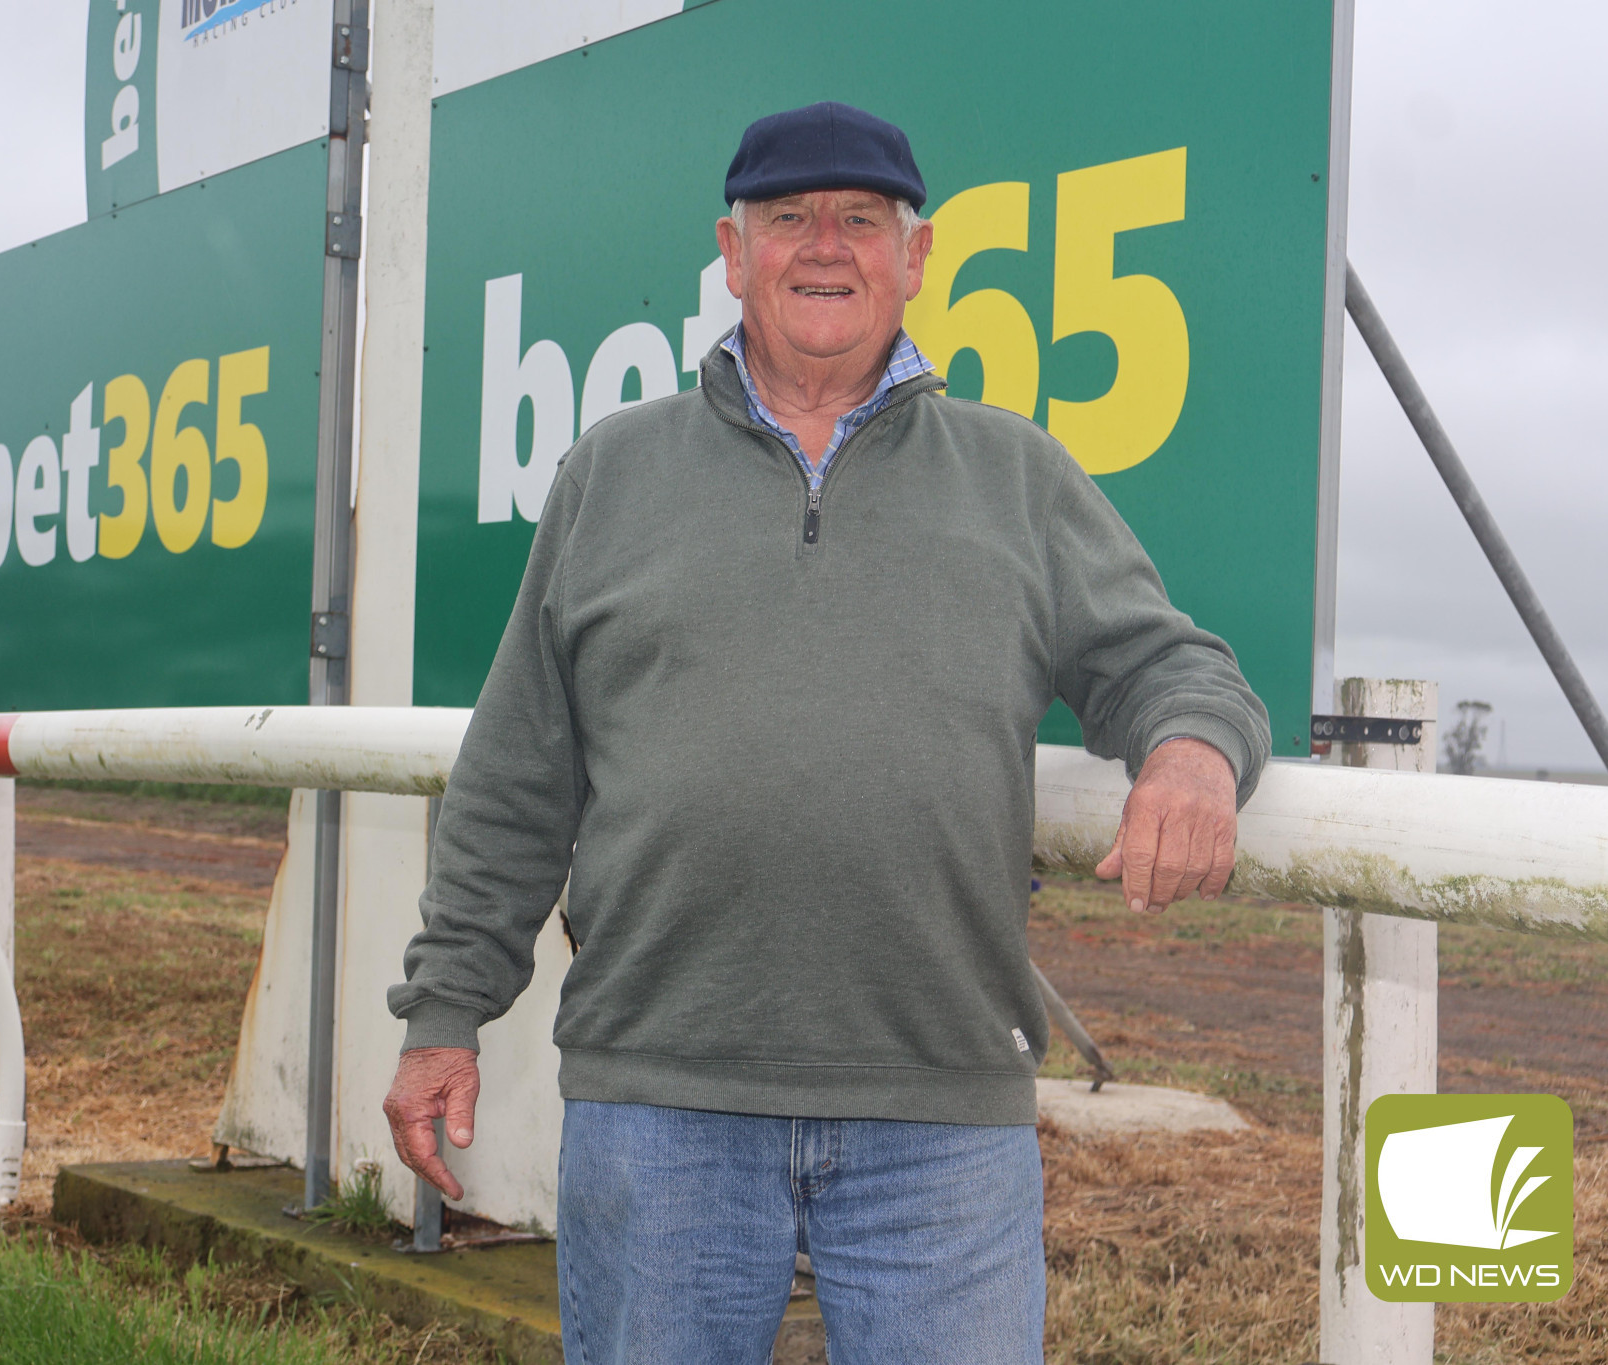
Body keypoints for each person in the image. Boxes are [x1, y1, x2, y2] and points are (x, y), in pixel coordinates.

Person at [383, 101, 1269, 1364]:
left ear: (913, 261)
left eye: (861, 219)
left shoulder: (1015, 475)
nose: (823, 245)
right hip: (659, 1096)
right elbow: (516, 778)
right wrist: (441, 1017)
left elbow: (1169, 663)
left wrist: (1189, 752)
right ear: (730, 255)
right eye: (786, 217)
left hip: (940, 1109)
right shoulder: (609, 476)